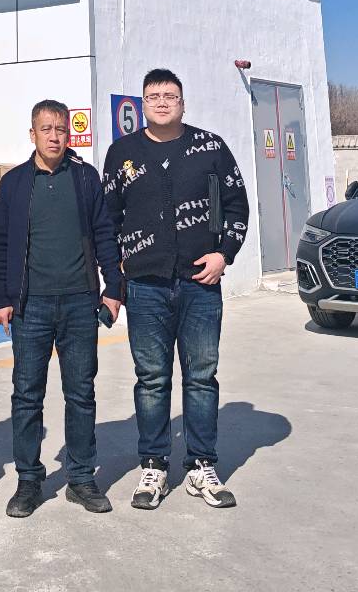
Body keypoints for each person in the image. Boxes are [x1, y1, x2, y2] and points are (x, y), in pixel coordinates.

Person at [102, 68, 249, 512]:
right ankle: (154, 466)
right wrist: (115, 280)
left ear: (183, 103)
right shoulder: (122, 153)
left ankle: (202, 466)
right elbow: (107, 220)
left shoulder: (210, 148)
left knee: (201, 376)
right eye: (153, 97)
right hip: (145, 287)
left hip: (200, 285)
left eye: (170, 96)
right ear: (142, 105)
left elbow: (238, 205)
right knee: (152, 379)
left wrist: (224, 255)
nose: (162, 102)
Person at [0, 99, 123, 519]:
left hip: (80, 303)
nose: (54, 136)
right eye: (46, 129)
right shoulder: (14, 183)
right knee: (27, 395)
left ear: (69, 134)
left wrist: (113, 289)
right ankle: (29, 480)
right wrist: (1, 298)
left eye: (61, 129)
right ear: (32, 134)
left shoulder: (85, 178)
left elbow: (105, 234)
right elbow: (0, 244)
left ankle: (81, 478)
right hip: (30, 306)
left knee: (81, 392)